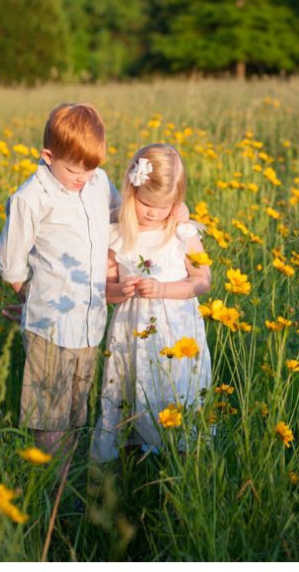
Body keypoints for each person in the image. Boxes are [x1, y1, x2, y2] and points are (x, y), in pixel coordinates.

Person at [0, 102, 120, 461]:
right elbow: (12, 264)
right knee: (49, 416)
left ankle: (70, 486)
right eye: (73, 169)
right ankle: (53, 489)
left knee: (76, 412)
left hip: (89, 323)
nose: (83, 177)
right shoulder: (31, 198)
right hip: (51, 327)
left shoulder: (98, 183)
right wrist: (34, 300)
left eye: (91, 168)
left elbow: (115, 217)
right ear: (48, 156)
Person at [91, 144, 212, 463]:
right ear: (131, 193)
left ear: (177, 201)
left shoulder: (182, 232)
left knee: (176, 390)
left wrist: (162, 288)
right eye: (146, 204)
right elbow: (105, 288)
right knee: (132, 387)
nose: (154, 213)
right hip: (133, 333)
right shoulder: (118, 235)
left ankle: (183, 462)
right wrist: (121, 289)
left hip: (178, 334)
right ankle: (130, 461)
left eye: (164, 206)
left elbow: (202, 280)